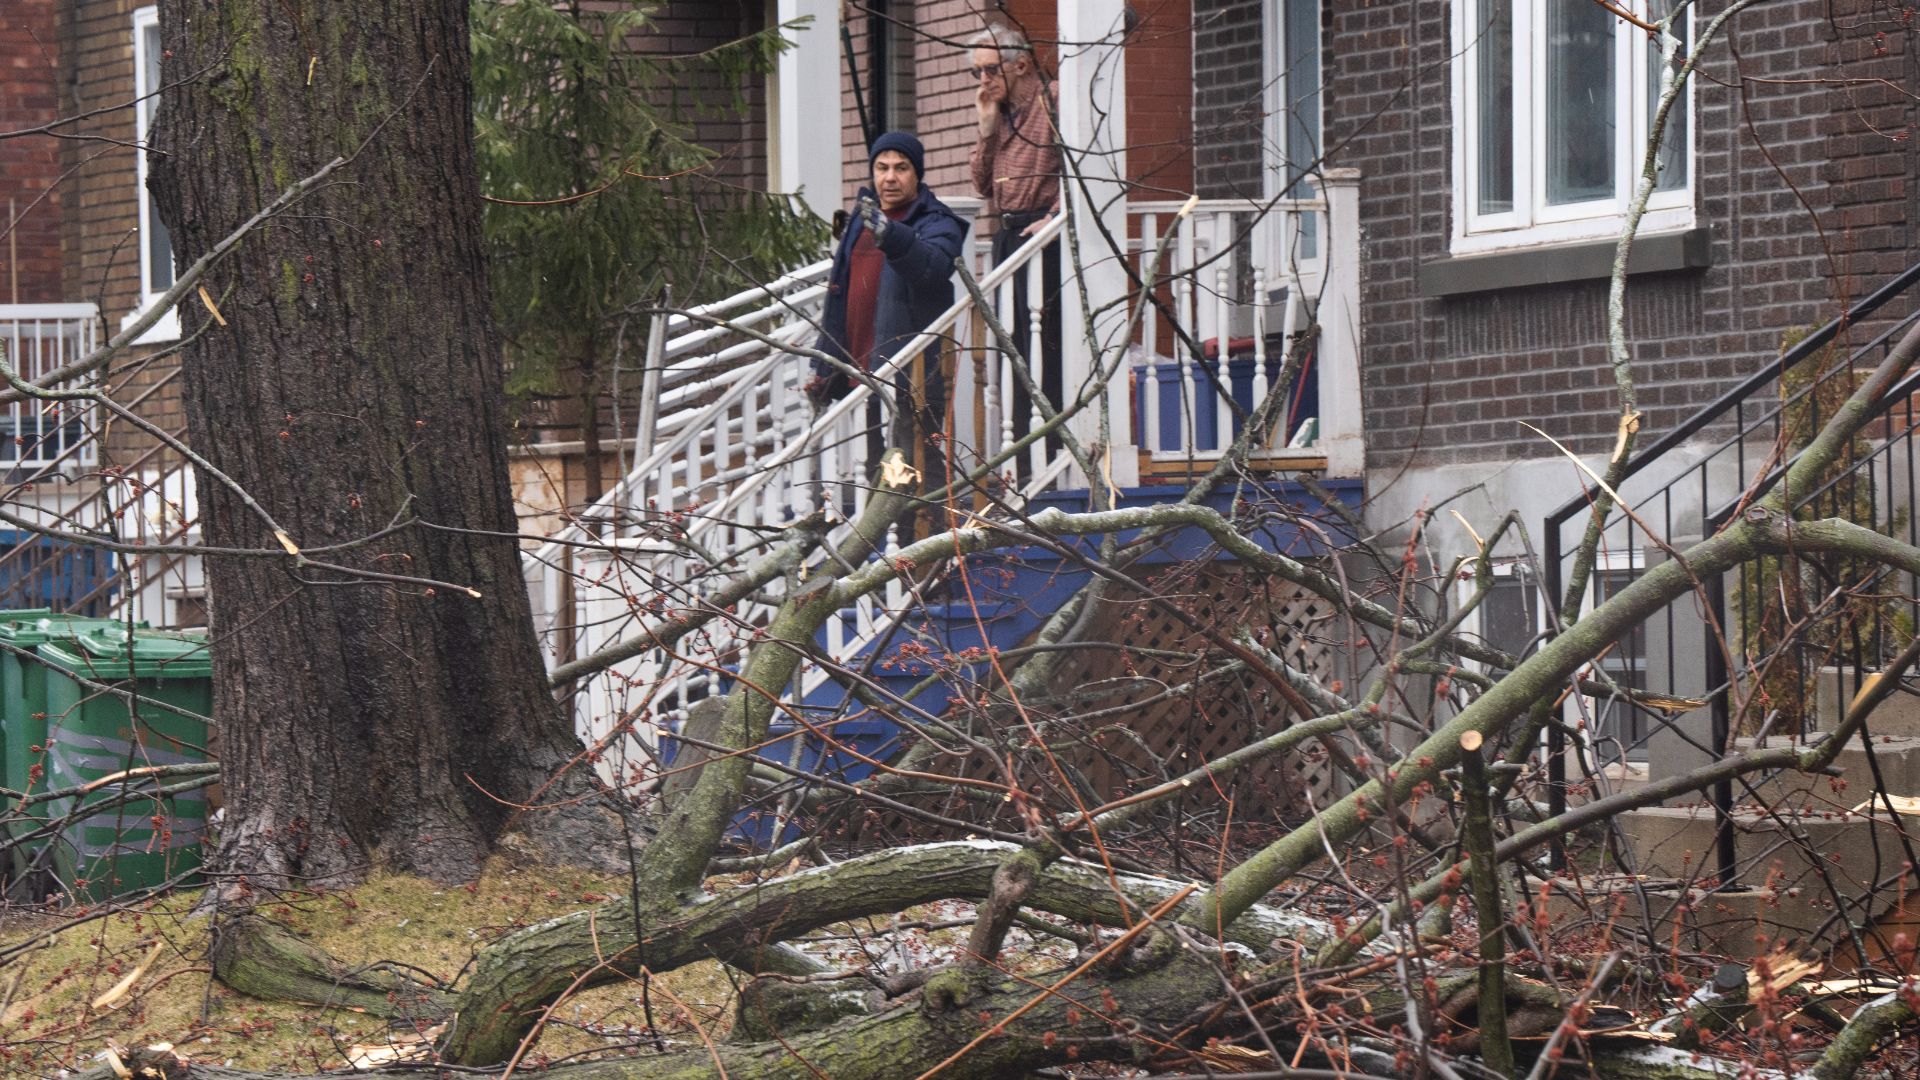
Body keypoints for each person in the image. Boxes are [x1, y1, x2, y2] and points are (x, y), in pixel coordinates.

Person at [809, 131, 968, 487]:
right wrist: (823, 363)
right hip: (861, 366)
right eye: (882, 168)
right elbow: (840, 294)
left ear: (917, 174)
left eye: (901, 168)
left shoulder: (936, 221)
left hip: (911, 371)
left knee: (917, 468)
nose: (890, 177)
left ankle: (933, 541)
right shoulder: (861, 220)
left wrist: (892, 235)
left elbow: (933, 267)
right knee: (873, 469)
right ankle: (883, 541)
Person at [967, 23, 1063, 476]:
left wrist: (1056, 215)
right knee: (1012, 349)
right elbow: (982, 185)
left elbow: (1083, 167)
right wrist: (986, 132)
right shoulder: (999, 116)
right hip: (1008, 237)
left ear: (1020, 64)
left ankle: (1054, 452)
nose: (983, 82)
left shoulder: (1055, 102)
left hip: (1043, 234)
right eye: (976, 73)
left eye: (990, 70)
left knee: (1046, 349)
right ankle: (1023, 463)